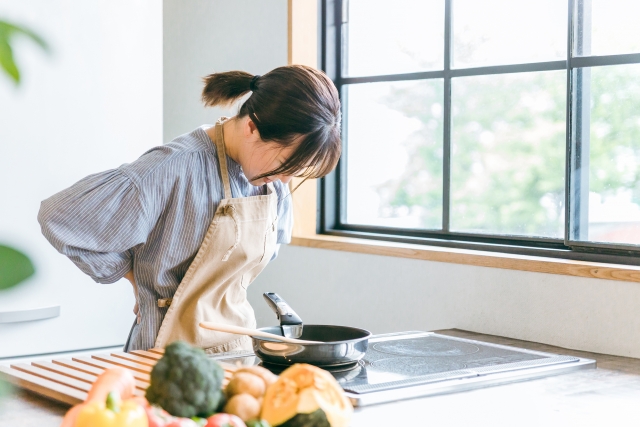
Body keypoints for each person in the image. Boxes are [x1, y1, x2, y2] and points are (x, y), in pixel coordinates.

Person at [38, 65, 341, 353]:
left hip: (237, 350)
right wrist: (133, 278)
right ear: (251, 127)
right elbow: (61, 216)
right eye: (284, 163)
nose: (286, 179)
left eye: (296, 170)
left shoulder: (273, 182)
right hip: (166, 355)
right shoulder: (172, 167)